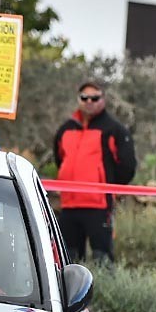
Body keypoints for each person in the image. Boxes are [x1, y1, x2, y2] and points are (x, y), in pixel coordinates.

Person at [53, 81, 137, 263]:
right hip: (69, 205)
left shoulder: (114, 129)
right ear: (78, 99)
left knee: (103, 257)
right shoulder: (66, 129)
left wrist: (109, 186)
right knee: (68, 260)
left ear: (103, 99)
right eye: (84, 98)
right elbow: (60, 159)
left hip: (98, 206)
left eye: (95, 98)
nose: (89, 101)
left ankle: (105, 291)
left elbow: (128, 165)